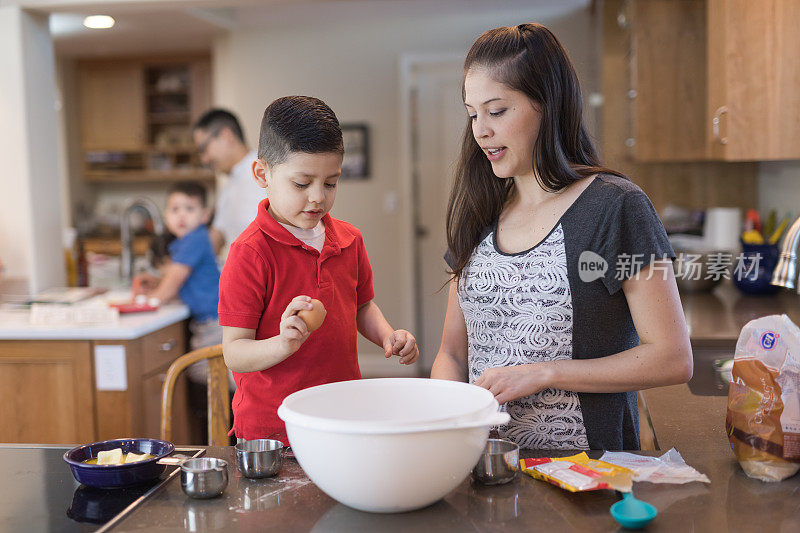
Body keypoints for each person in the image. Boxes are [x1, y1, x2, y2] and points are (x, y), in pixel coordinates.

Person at [430, 24, 692, 451]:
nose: (480, 131)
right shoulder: (479, 211)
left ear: (548, 106)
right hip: (484, 466)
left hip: (588, 473)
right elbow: (453, 354)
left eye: (496, 111)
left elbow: (673, 358)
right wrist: (445, 419)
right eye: (472, 113)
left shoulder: (615, 206)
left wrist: (545, 371)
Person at [218, 96, 420, 443]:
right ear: (262, 173)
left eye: (330, 183)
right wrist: (282, 344)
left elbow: (362, 307)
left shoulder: (349, 239)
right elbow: (234, 352)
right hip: (272, 433)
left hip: (340, 416)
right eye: (302, 183)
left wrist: (388, 336)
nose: (318, 197)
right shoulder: (250, 253)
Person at [133, 181, 223, 372]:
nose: (181, 215)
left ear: (205, 215)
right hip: (211, 319)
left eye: (189, 209)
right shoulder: (189, 241)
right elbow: (182, 279)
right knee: (209, 371)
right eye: (175, 209)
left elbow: (172, 284)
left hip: (215, 322)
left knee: (205, 372)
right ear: (166, 216)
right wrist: (158, 282)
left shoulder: (194, 240)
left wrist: (147, 301)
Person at [193, 109, 265, 257]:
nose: (204, 159)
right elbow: (215, 240)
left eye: (204, 149)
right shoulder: (229, 187)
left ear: (227, 135)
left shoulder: (267, 173)